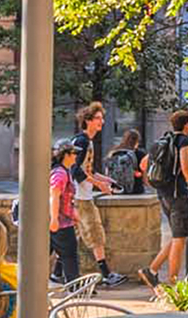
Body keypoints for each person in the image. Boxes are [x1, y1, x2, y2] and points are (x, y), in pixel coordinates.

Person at [139, 110, 188, 290]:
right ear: (186, 125)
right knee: (180, 238)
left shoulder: (164, 140)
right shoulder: (184, 141)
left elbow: (144, 164)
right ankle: (174, 283)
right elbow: (186, 167)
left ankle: (152, 270)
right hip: (177, 194)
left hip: (164, 193)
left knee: (179, 235)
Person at [71, 102, 126, 287]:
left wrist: (107, 181)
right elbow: (76, 171)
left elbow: (89, 170)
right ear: (87, 121)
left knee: (74, 236)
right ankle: (106, 274)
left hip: (79, 196)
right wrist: (99, 185)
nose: (101, 121)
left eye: (102, 118)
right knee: (95, 234)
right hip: (80, 197)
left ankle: (57, 274)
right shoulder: (82, 141)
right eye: (98, 118)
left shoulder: (87, 141)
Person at [49, 138, 80, 284]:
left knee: (45, 256)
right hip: (61, 225)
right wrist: (54, 219)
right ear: (66, 154)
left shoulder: (63, 171)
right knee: (69, 256)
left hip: (61, 222)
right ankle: (74, 288)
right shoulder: (60, 174)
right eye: (74, 153)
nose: (76, 156)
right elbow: (54, 195)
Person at [107, 129, 147, 195]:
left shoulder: (114, 152)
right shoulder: (140, 154)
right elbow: (144, 176)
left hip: (116, 189)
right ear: (137, 141)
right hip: (136, 190)